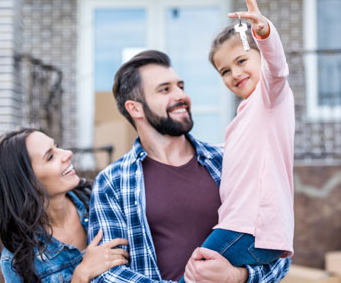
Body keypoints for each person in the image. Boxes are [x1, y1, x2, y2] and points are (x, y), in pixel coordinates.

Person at [87, 39, 290, 282]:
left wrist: (238, 277)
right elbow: (107, 273)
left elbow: (278, 249)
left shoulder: (227, 160)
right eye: (165, 90)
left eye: (180, 86)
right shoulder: (113, 182)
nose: (181, 95)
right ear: (135, 108)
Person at [182, 0, 295, 281]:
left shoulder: (270, 98)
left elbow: (278, 70)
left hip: (249, 228)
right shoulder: (244, 116)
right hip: (243, 227)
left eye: (242, 60)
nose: (235, 73)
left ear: (259, 56)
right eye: (225, 71)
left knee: (194, 275)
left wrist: (264, 33)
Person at [0, 128, 129, 283]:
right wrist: (81, 276)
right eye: (50, 157)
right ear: (28, 182)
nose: (67, 153)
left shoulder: (103, 199)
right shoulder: (17, 259)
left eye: (57, 146)